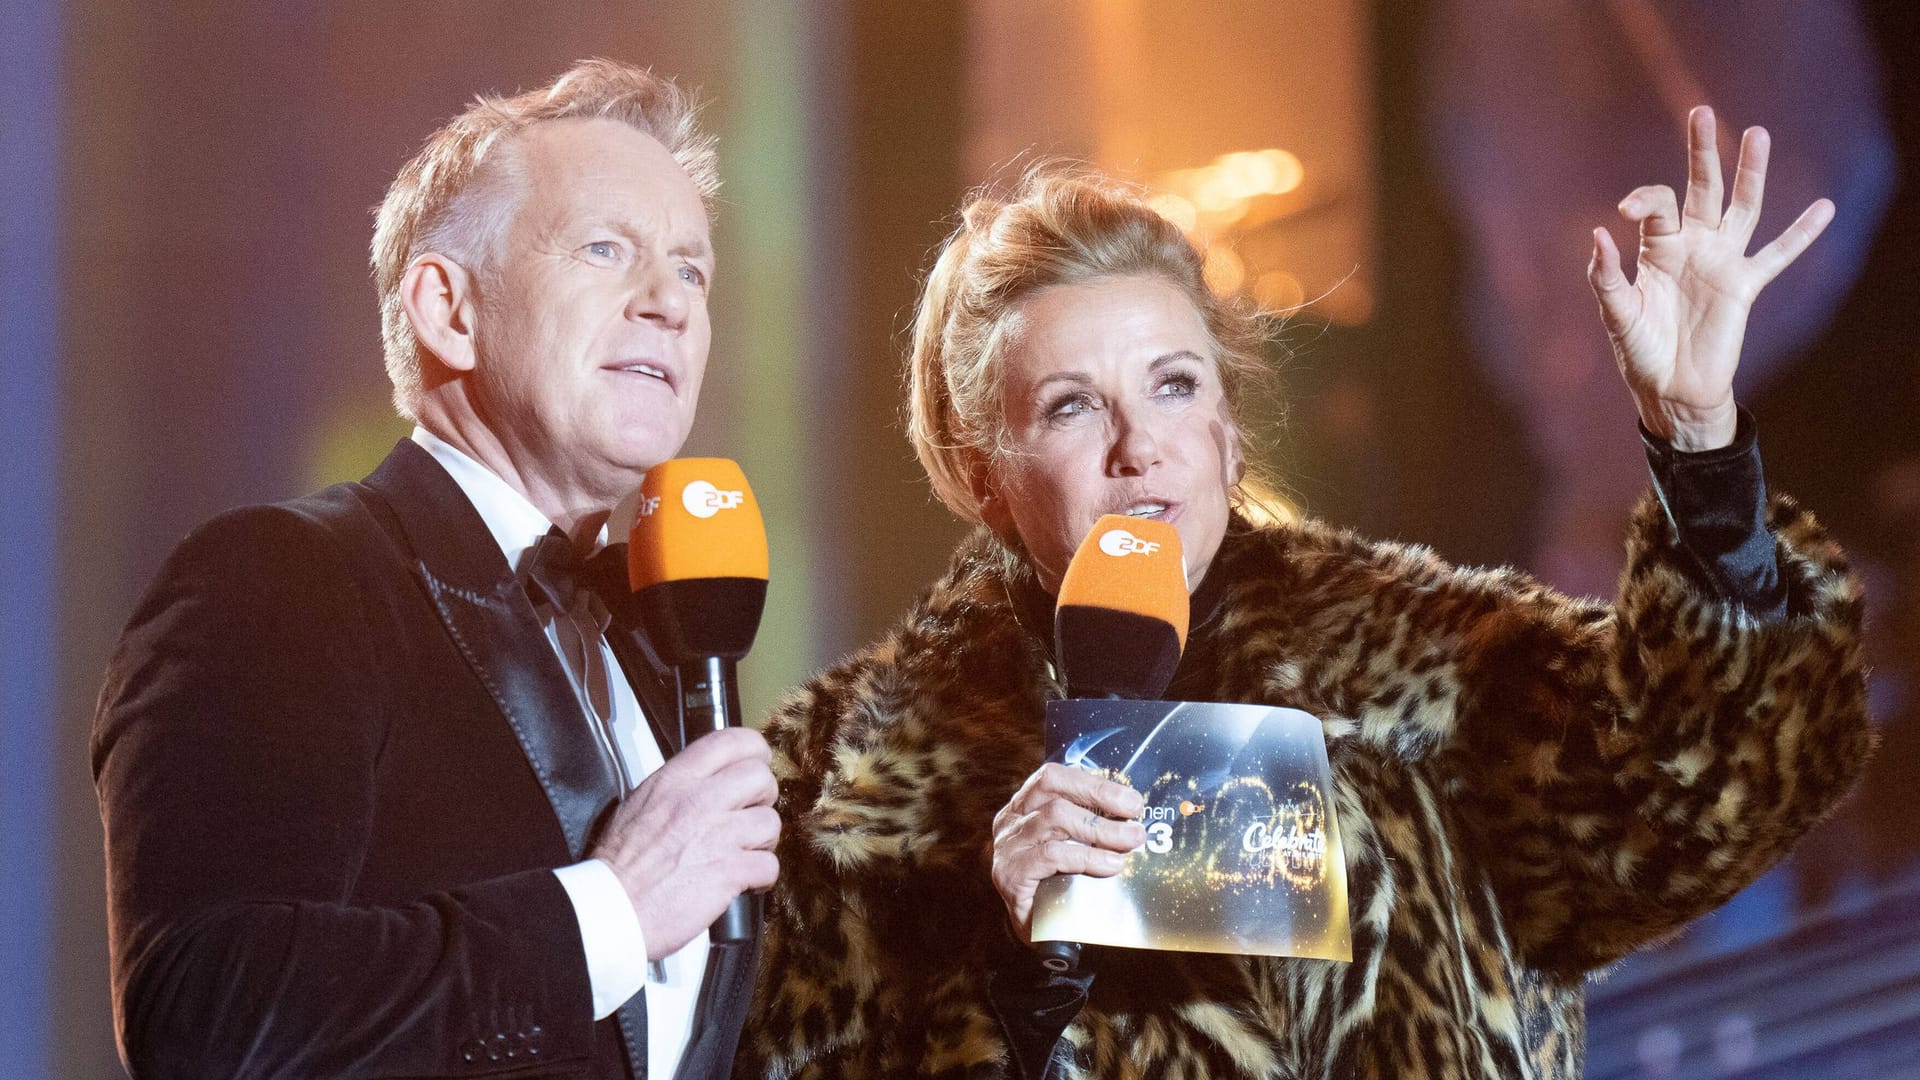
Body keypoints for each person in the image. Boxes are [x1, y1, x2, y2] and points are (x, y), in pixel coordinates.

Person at [734, 108, 1871, 1078]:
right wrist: (1017, 968)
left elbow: (1700, 799)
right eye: (1073, 406)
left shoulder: (1437, 667)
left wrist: (1703, 453)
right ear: (982, 470)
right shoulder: (840, 796)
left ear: (1227, 433)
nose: (1143, 446)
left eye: (1175, 386)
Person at [92, 60, 780, 1079]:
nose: (670, 305)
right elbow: (209, 1015)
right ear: (448, 308)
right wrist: (613, 908)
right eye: (607, 250)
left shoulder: (657, 639)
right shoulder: (281, 583)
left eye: (692, 271)